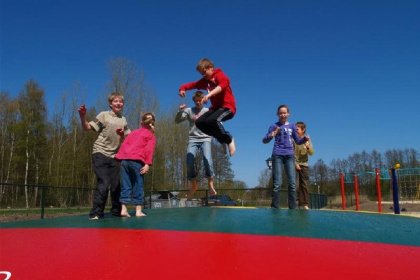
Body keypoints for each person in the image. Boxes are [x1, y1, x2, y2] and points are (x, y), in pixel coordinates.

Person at [78, 93, 131, 220]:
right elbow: (87, 128)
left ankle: (116, 212)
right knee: (104, 182)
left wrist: (122, 134)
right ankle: (96, 213)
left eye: (120, 102)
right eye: (115, 101)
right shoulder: (104, 115)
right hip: (100, 153)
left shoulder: (123, 120)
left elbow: (126, 140)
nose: (118, 103)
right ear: (110, 104)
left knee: (115, 185)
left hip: (114, 156)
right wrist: (82, 116)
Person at [179, 58, 237, 156]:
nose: (203, 75)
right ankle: (221, 139)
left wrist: (209, 95)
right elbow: (194, 84)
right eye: (201, 74)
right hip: (215, 108)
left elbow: (222, 85)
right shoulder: (205, 81)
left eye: (204, 72)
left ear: (211, 68)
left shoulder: (219, 75)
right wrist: (182, 88)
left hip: (227, 107)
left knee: (212, 121)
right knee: (200, 122)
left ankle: (228, 139)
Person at [262, 105, 310, 209]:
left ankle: (292, 207)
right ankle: (275, 207)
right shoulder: (274, 126)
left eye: (284, 113)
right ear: (277, 114)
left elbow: (298, 141)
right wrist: (271, 135)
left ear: (288, 114)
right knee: (277, 184)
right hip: (277, 155)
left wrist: (305, 139)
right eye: (280, 113)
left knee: (292, 184)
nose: (283, 115)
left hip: (289, 155)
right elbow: (264, 140)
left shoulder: (292, 126)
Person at [175, 91, 216, 198]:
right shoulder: (189, 110)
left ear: (203, 100)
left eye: (200, 100)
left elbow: (216, 122)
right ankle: (193, 185)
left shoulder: (207, 111)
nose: (198, 102)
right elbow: (177, 121)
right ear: (194, 101)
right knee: (189, 160)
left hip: (205, 138)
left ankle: (211, 184)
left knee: (207, 158)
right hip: (193, 139)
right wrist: (180, 111)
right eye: (196, 100)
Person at [115, 113, 156, 217]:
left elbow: (124, 144)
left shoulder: (133, 133)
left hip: (125, 161)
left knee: (126, 185)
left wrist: (120, 157)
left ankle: (123, 209)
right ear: (152, 124)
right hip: (137, 161)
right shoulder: (150, 136)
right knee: (138, 184)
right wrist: (147, 164)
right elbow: (149, 150)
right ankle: (138, 211)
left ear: (141, 122)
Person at [294, 121, 314, 210]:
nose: (295, 130)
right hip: (294, 164)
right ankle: (295, 203)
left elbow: (311, 153)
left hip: (304, 165)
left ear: (303, 130)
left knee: (304, 185)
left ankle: (304, 204)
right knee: (295, 185)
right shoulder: (293, 139)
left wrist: (308, 146)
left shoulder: (307, 140)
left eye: (297, 129)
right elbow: (291, 153)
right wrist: (295, 164)